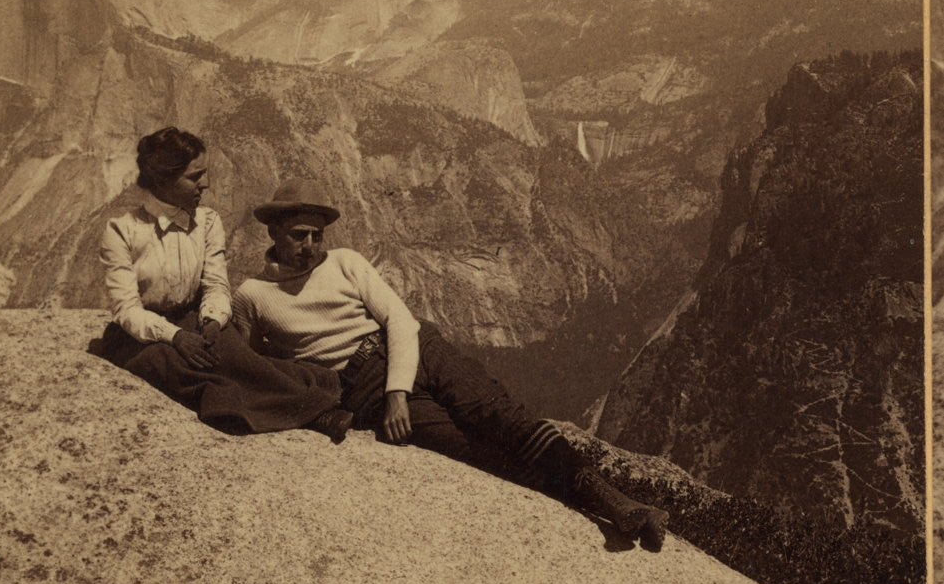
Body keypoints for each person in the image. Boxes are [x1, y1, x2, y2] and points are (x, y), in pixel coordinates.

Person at [232, 178, 670, 551]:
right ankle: (600, 503)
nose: (310, 246)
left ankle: (616, 503)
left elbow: (399, 318)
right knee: (475, 451)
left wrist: (397, 393)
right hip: (360, 386)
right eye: (298, 235)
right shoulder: (252, 295)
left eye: (317, 235)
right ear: (273, 232)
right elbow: (254, 368)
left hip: (417, 348)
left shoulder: (347, 263)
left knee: (502, 416)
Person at [97, 128, 353, 442]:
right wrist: (174, 337)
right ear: (164, 179)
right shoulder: (122, 231)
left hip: (193, 319)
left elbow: (216, 283)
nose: (204, 184)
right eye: (195, 177)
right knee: (180, 369)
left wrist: (213, 320)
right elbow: (126, 309)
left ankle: (310, 394)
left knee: (234, 358)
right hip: (139, 336)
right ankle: (317, 409)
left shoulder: (206, 222)